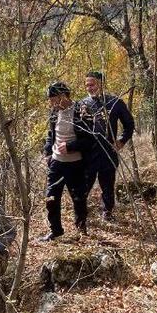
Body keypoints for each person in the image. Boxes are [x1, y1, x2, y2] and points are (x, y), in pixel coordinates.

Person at [42, 81, 95, 242]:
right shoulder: (54, 113)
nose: (51, 103)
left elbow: (91, 139)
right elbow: (51, 135)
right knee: (51, 198)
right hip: (56, 163)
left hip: (76, 164)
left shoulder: (82, 111)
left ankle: (81, 229)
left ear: (63, 96)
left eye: (53, 99)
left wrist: (71, 146)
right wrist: (48, 152)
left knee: (78, 198)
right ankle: (56, 231)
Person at [79, 70, 135, 222]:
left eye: (92, 84)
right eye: (87, 85)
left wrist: (121, 141)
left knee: (108, 186)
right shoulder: (82, 105)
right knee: (83, 186)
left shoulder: (115, 103)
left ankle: (107, 213)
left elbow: (129, 124)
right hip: (87, 154)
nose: (89, 88)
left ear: (101, 84)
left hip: (108, 152)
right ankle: (81, 215)